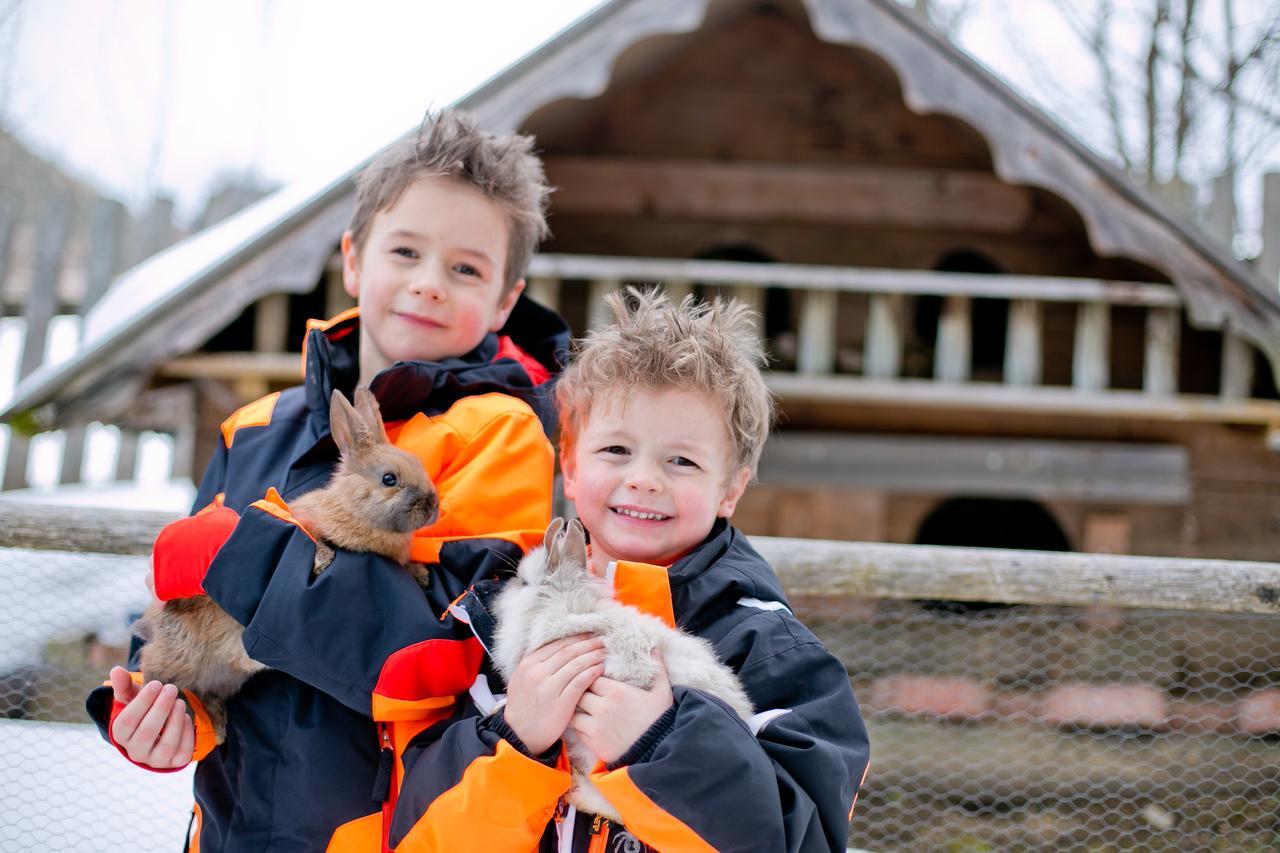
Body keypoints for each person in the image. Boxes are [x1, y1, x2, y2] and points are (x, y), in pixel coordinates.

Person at [85, 110, 570, 851]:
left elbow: (433, 655)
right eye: (405, 250)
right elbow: (188, 607)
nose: (429, 284)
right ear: (352, 259)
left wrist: (245, 555)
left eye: (466, 268)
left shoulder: (497, 436)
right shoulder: (254, 427)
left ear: (506, 300)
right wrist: (163, 712)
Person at [390, 288, 871, 852]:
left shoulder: (770, 653)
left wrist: (659, 743)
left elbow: (800, 838)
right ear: (569, 462)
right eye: (616, 450)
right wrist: (515, 737)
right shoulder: (498, 622)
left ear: (730, 488)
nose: (644, 479)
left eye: (682, 460)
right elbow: (421, 837)